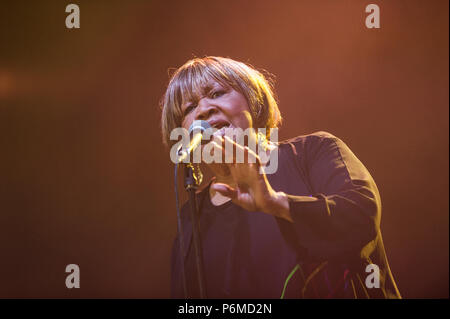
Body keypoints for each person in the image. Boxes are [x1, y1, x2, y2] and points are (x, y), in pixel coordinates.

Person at [160, 56, 401, 299]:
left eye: (217, 93)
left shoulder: (313, 152)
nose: (203, 109)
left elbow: (360, 217)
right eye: (189, 108)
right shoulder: (192, 217)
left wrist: (274, 203)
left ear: (252, 98)